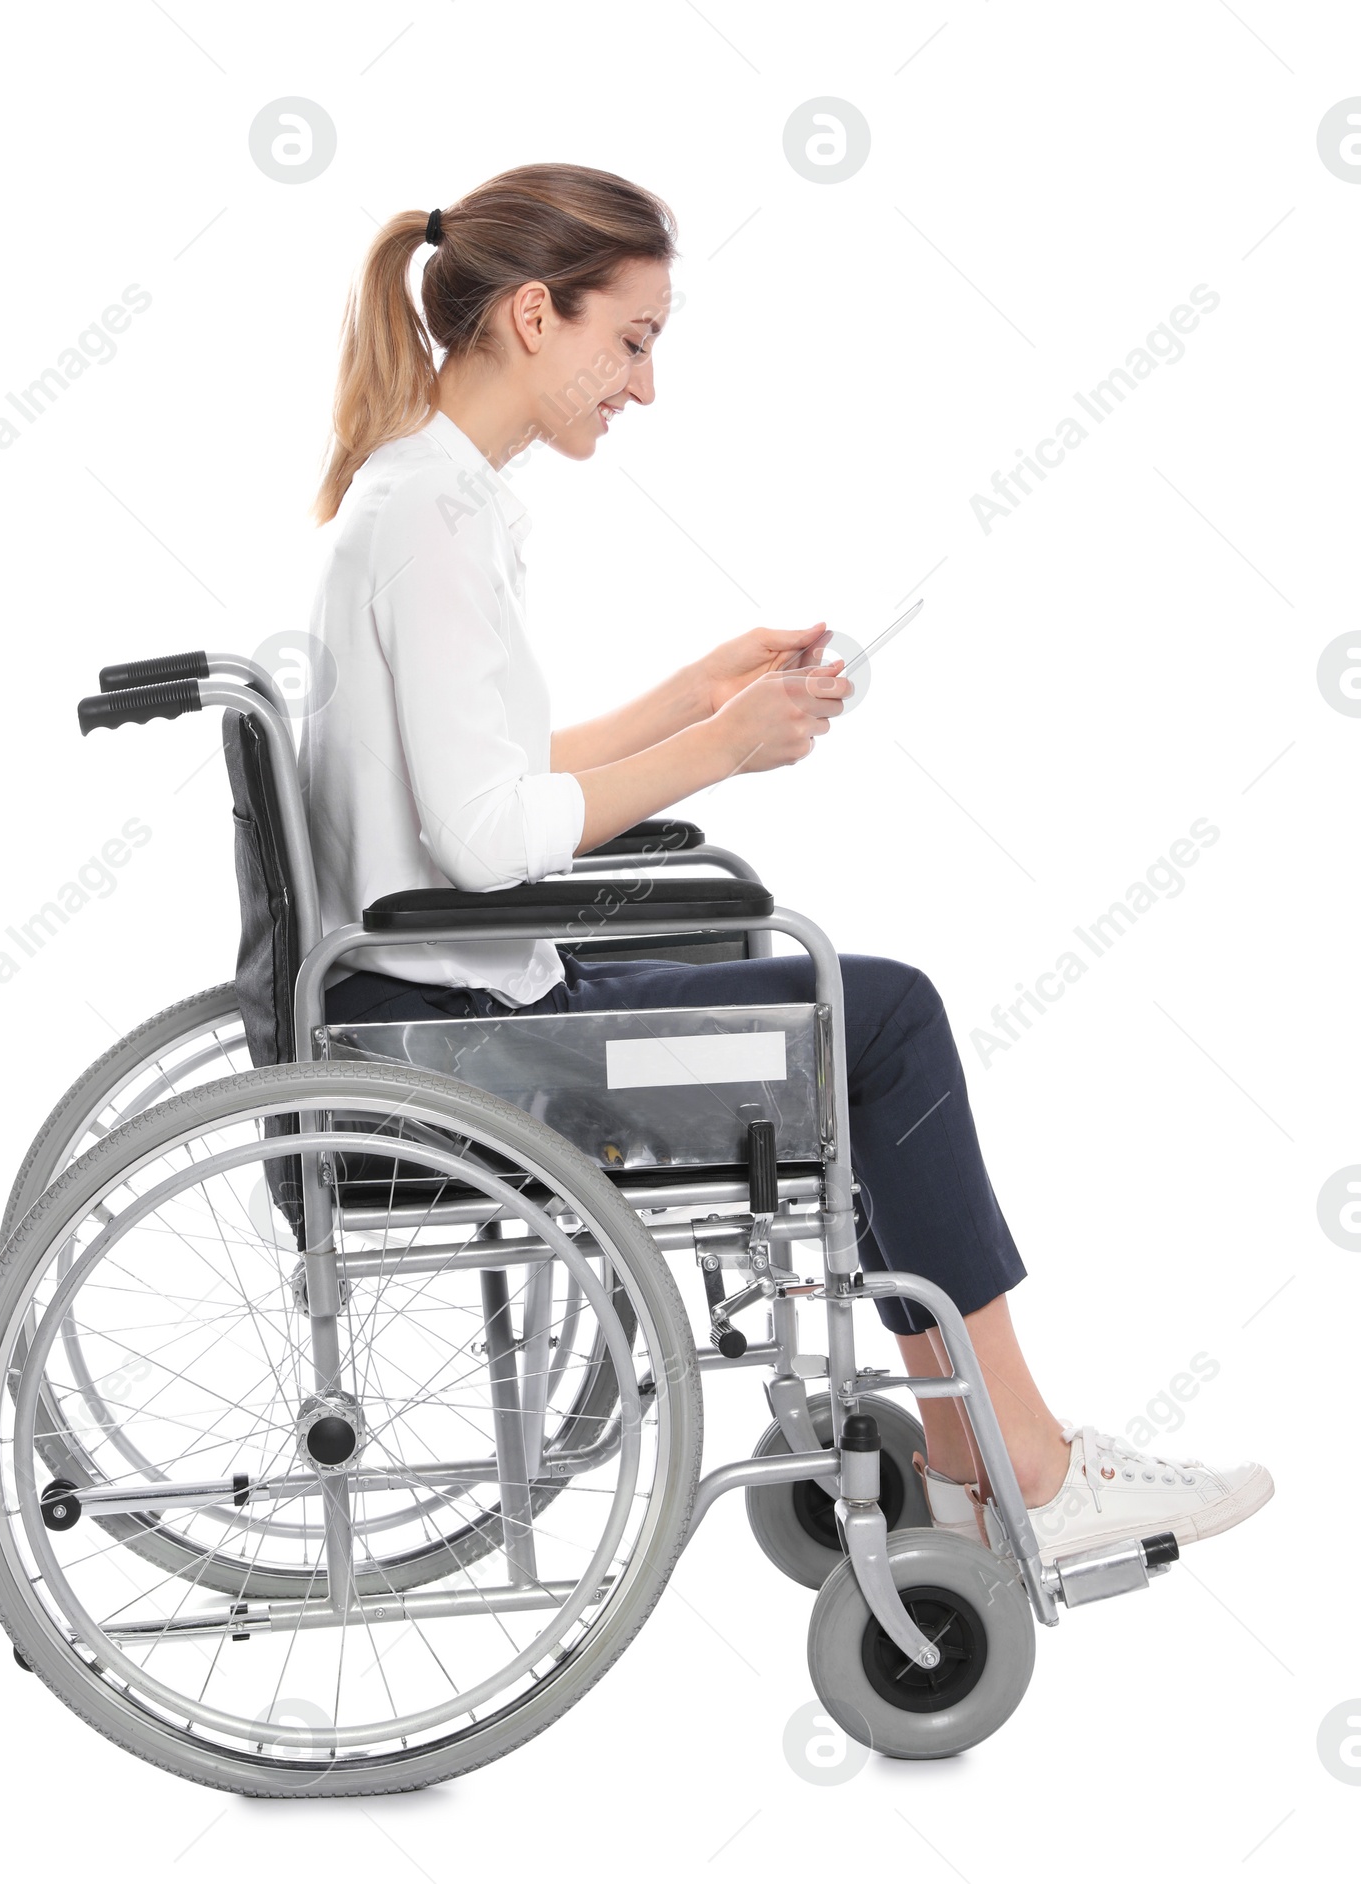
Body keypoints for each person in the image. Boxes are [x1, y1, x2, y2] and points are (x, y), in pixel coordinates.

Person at [300, 163, 1271, 1560]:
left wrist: (689, 699)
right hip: (460, 1055)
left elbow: (479, 781)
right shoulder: (431, 522)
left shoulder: (423, 498)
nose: (642, 386)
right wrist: (724, 752)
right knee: (878, 1017)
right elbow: (485, 838)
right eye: (629, 340)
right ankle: (1026, 1477)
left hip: (438, 1012)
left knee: (781, 986)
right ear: (531, 316)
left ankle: (969, 1462)